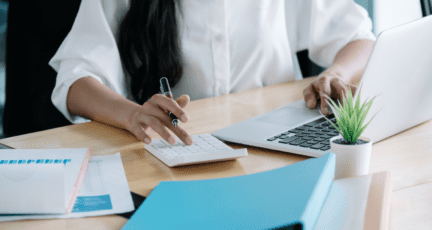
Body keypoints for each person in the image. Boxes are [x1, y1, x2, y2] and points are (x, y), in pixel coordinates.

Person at [49, 0, 375, 146]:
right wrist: (132, 115)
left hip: (279, 147)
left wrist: (337, 74)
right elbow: (75, 80)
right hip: (177, 152)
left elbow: (358, 38)